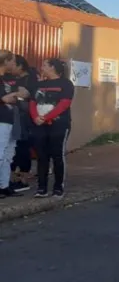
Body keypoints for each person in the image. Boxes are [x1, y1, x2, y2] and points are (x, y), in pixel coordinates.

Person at [29, 58, 74, 198]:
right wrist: (36, 116)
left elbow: (64, 104)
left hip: (59, 125)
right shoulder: (38, 84)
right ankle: (42, 188)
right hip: (39, 125)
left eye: (44, 65)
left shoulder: (66, 84)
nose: (41, 67)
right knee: (42, 156)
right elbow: (32, 102)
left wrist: (46, 117)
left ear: (53, 68)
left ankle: (58, 187)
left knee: (57, 155)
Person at [8, 55, 37, 194]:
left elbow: (27, 96)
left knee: (22, 148)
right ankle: (12, 177)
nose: (10, 67)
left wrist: (14, 96)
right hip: (12, 118)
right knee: (12, 148)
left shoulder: (30, 79)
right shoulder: (10, 78)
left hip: (25, 120)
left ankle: (23, 179)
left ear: (20, 66)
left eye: (12, 64)